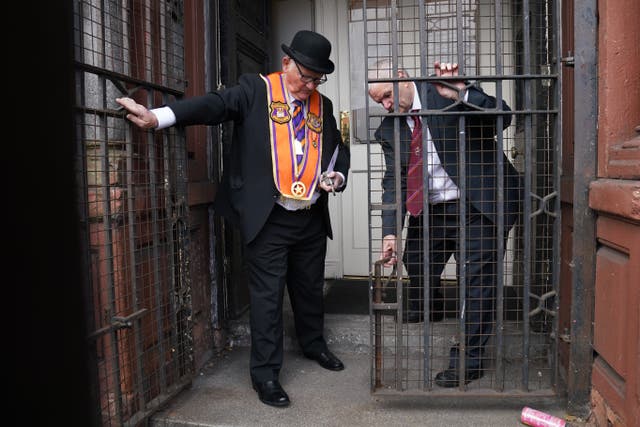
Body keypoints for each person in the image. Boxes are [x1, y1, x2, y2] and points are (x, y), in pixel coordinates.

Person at [117, 30, 350, 407]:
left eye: (316, 79)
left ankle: (314, 346)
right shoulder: (254, 90)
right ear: (286, 62)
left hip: (309, 217)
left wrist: (336, 176)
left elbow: (338, 151)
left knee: (309, 290)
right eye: (304, 75)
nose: (309, 84)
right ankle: (265, 375)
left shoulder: (321, 106)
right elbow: (213, 106)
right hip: (269, 218)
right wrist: (159, 117)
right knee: (268, 299)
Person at [367, 58, 521, 387]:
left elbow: (503, 116)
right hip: (434, 207)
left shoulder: (444, 92)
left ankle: (469, 359)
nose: (385, 105)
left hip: (478, 201)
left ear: (400, 76)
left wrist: (461, 94)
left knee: (475, 282)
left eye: (386, 96)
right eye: (378, 102)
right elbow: (393, 180)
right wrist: (390, 232)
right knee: (417, 262)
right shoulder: (389, 129)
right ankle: (432, 304)